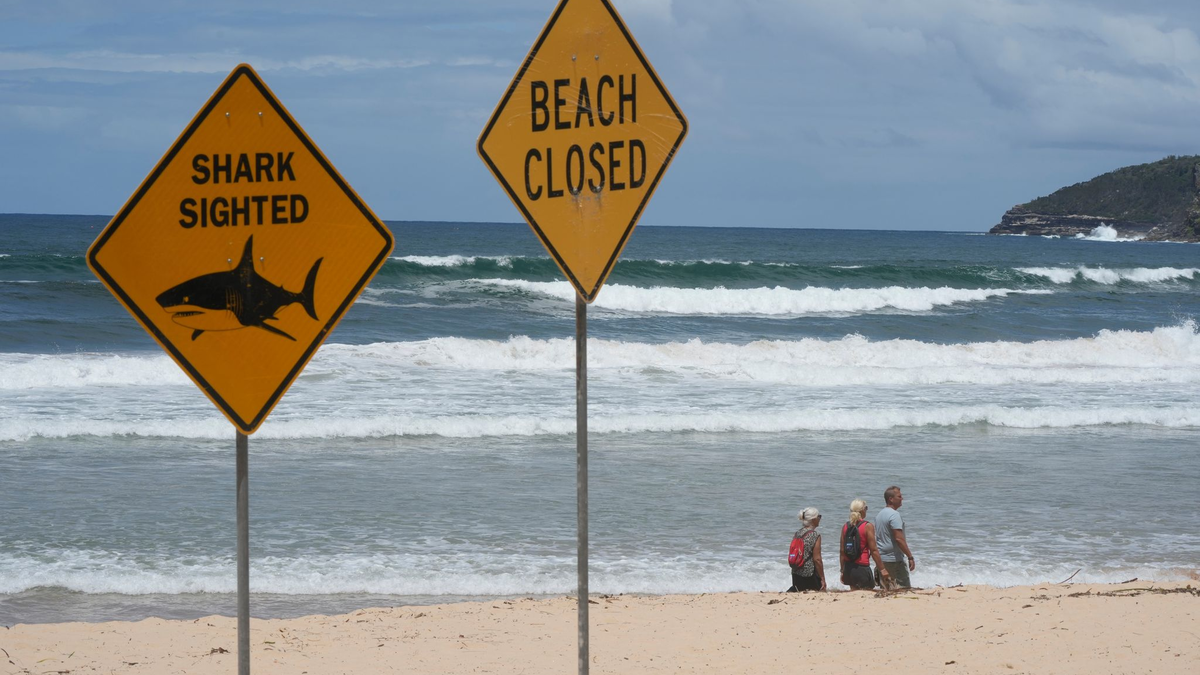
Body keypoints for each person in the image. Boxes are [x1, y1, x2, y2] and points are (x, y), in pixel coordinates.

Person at [839, 498, 888, 590]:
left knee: (854, 595)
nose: (866, 510)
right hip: (862, 568)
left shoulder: (845, 527)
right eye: (866, 508)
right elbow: (873, 550)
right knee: (866, 597)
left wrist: (842, 571)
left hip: (848, 568)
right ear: (862, 510)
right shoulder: (867, 526)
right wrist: (882, 569)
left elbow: (842, 551)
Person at [873, 485, 915, 588]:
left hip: (882, 559)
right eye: (899, 496)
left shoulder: (879, 515)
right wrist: (910, 556)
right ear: (891, 499)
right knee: (903, 589)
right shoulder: (894, 515)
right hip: (894, 560)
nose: (902, 499)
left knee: (886, 590)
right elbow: (899, 539)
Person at [787, 507, 826, 592]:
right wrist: (822, 579)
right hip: (809, 575)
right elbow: (817, 559)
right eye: (819, 516)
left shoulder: (797, 533)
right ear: (813, 519)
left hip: (796, 573)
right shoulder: (815, 535)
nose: (820, 518)